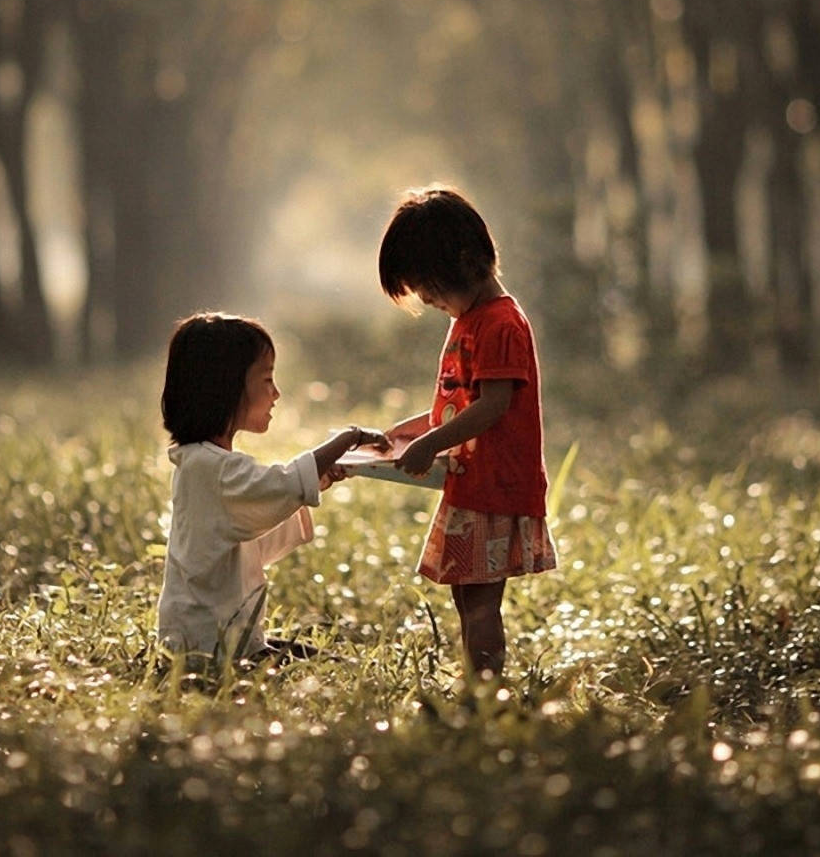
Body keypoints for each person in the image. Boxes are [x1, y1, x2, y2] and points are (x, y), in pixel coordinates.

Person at [378, 186, 557, 684]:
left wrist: (430, 444)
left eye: (429, 288)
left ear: (463, 261)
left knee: (481, 603)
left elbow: (493, 405)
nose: (428, 300)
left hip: (494, 486)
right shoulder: (470, 320)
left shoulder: (500, 323)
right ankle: (479, 687)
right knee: (466, 597)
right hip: (471, 481)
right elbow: (455, 405)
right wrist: (402, 434)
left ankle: (487, 693)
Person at [156, 311, 384, 666]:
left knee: (323, 659)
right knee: (326, 664)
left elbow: (254, 533)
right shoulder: (209, 467)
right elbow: (280, 487)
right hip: (209, 647)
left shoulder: (206, 463)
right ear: (228, 386)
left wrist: (319, 477)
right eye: (266, 380)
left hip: (221, 639)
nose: (276, 393)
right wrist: (347, 438)